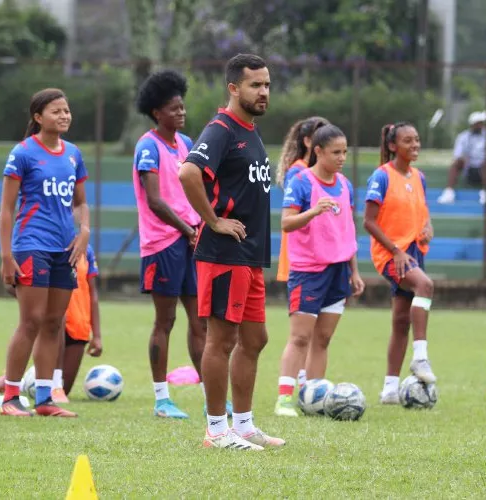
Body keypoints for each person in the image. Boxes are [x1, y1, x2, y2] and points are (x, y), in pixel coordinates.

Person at [179, 53, 284, 450]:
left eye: (267, 84)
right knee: (220, 341)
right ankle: (215, 429)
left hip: (251, 255)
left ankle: (243, 424)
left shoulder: (250, 131)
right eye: (256, 85)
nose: (264, 92)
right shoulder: (221, 129)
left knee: (255, 339)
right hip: (224, 252)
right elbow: (188, 172)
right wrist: (213, 220)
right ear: (233, 88)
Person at [0, 88, 90, 418]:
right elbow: (7, 210)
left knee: (54, 323)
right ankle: (9, 397)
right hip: (31, 246)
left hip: (64, 250)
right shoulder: (23, 153)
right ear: (38, 117)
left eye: (67, 110)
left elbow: (80, 203)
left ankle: (44, 399)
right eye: (57, 111)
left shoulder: (73, 154)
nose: (64, 116)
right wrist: (6, 256)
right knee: (31, 321)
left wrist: (85, 233)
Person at [132, 69, 215, 419]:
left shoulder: (186, 144)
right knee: (164, 320)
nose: (181, 113)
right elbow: (155, 200)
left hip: (191, 239)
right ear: (157, 112)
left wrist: (202, 226)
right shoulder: (147, 146)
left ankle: (214, 396)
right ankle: (162, 399)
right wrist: (186, 228)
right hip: (163, 243)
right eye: (173, 108)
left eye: (182, 107)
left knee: (200, 321)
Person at [274, 124, 365, 417]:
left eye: (345, 152)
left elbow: (348, 231)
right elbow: (286, 223)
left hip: (338, 271)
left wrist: (354, 271)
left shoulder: (345, 185)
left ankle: (313, 396)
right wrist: (313, 211)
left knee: (322, 340)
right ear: (318, 151)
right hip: (308, 271)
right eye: (336, 152)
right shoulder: (301, 182)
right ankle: (285, 398)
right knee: (300, 338)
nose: (341, 158)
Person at [363, 122, 437, 405]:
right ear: (393, 146)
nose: (414, 145)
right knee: (425, 285)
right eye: (408, 140)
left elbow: (423, 212)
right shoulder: (381, 177)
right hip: (391, 254)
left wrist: (428, 227)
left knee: (400, 320)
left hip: (414, 251)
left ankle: (390, 389)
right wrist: (395, 250)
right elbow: (368, 221)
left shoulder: (420, 177)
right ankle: (420, 358)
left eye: (417, 140)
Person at [0, 243, 102, 397]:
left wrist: (97, 335)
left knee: (63, 390)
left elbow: (93, 294)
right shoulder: (40, 243)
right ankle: (9, 383)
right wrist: (37, 306)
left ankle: (18, 381)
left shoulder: (86, 249)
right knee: (52, 381)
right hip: (50, 320)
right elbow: (12, 284)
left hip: (78, 326)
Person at [274, 116, 329, 390]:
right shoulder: (299, 173)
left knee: (317, 329)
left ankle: (308, 381)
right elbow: (293, 218)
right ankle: (295, 384)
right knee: (302, 330)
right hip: (302, 258)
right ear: (309, 142)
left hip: (322, 258)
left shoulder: (327, 176)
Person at [437, 111, 486, 205]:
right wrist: (464, 159)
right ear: (472, 124)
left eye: (481, 123)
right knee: (456, 163)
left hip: (485, 169)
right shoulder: (463, 137)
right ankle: (449, 192)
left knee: (485, 163)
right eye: (478, 123)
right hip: (469, 168)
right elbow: (457, 154)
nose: (480, 125)